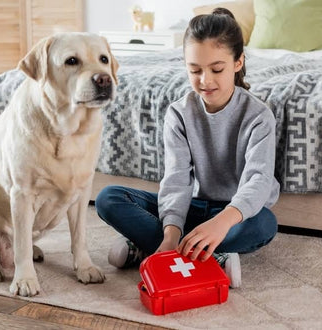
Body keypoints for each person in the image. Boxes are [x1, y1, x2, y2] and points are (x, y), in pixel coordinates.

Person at [95, 8, 280, 288]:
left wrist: (221, 223)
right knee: (109, 198)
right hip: (193, 205)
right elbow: (177, 178)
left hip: (235, 212)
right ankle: (203, 254)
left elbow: (259, 181)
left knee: (264, 224)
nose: (205, 81)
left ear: (238, 62)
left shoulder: (258, 115)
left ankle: (149, 248)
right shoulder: (179, 113)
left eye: (217, 69)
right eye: (195, 70)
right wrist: (170, 233)